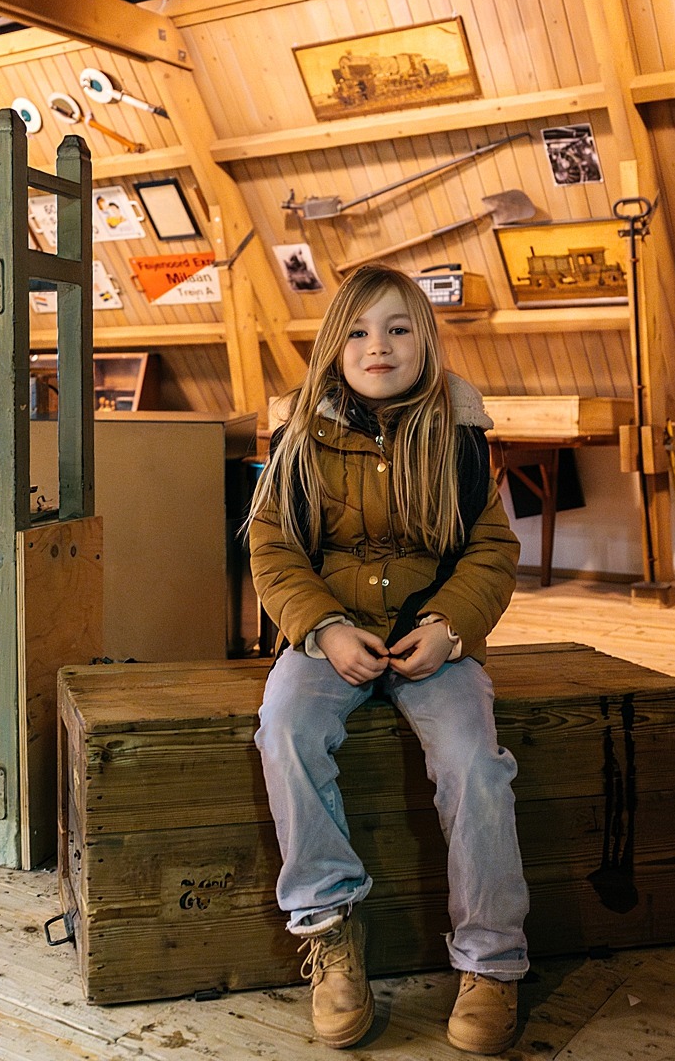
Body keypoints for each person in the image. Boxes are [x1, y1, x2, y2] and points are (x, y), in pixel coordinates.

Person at [247, 265, 526, 1053]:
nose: (380, 346)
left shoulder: (458, 432)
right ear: (336, 345)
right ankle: (330, 931)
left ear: (425, 341)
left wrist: (450, 627)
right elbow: (272, 548)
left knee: (476, 763)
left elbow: (492, 548)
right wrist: (323, 628)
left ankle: (493, 963)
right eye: (362, 331)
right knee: (285, 731)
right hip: (326, 636)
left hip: (429, 637)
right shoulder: (299, 435)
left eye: (399, 329)